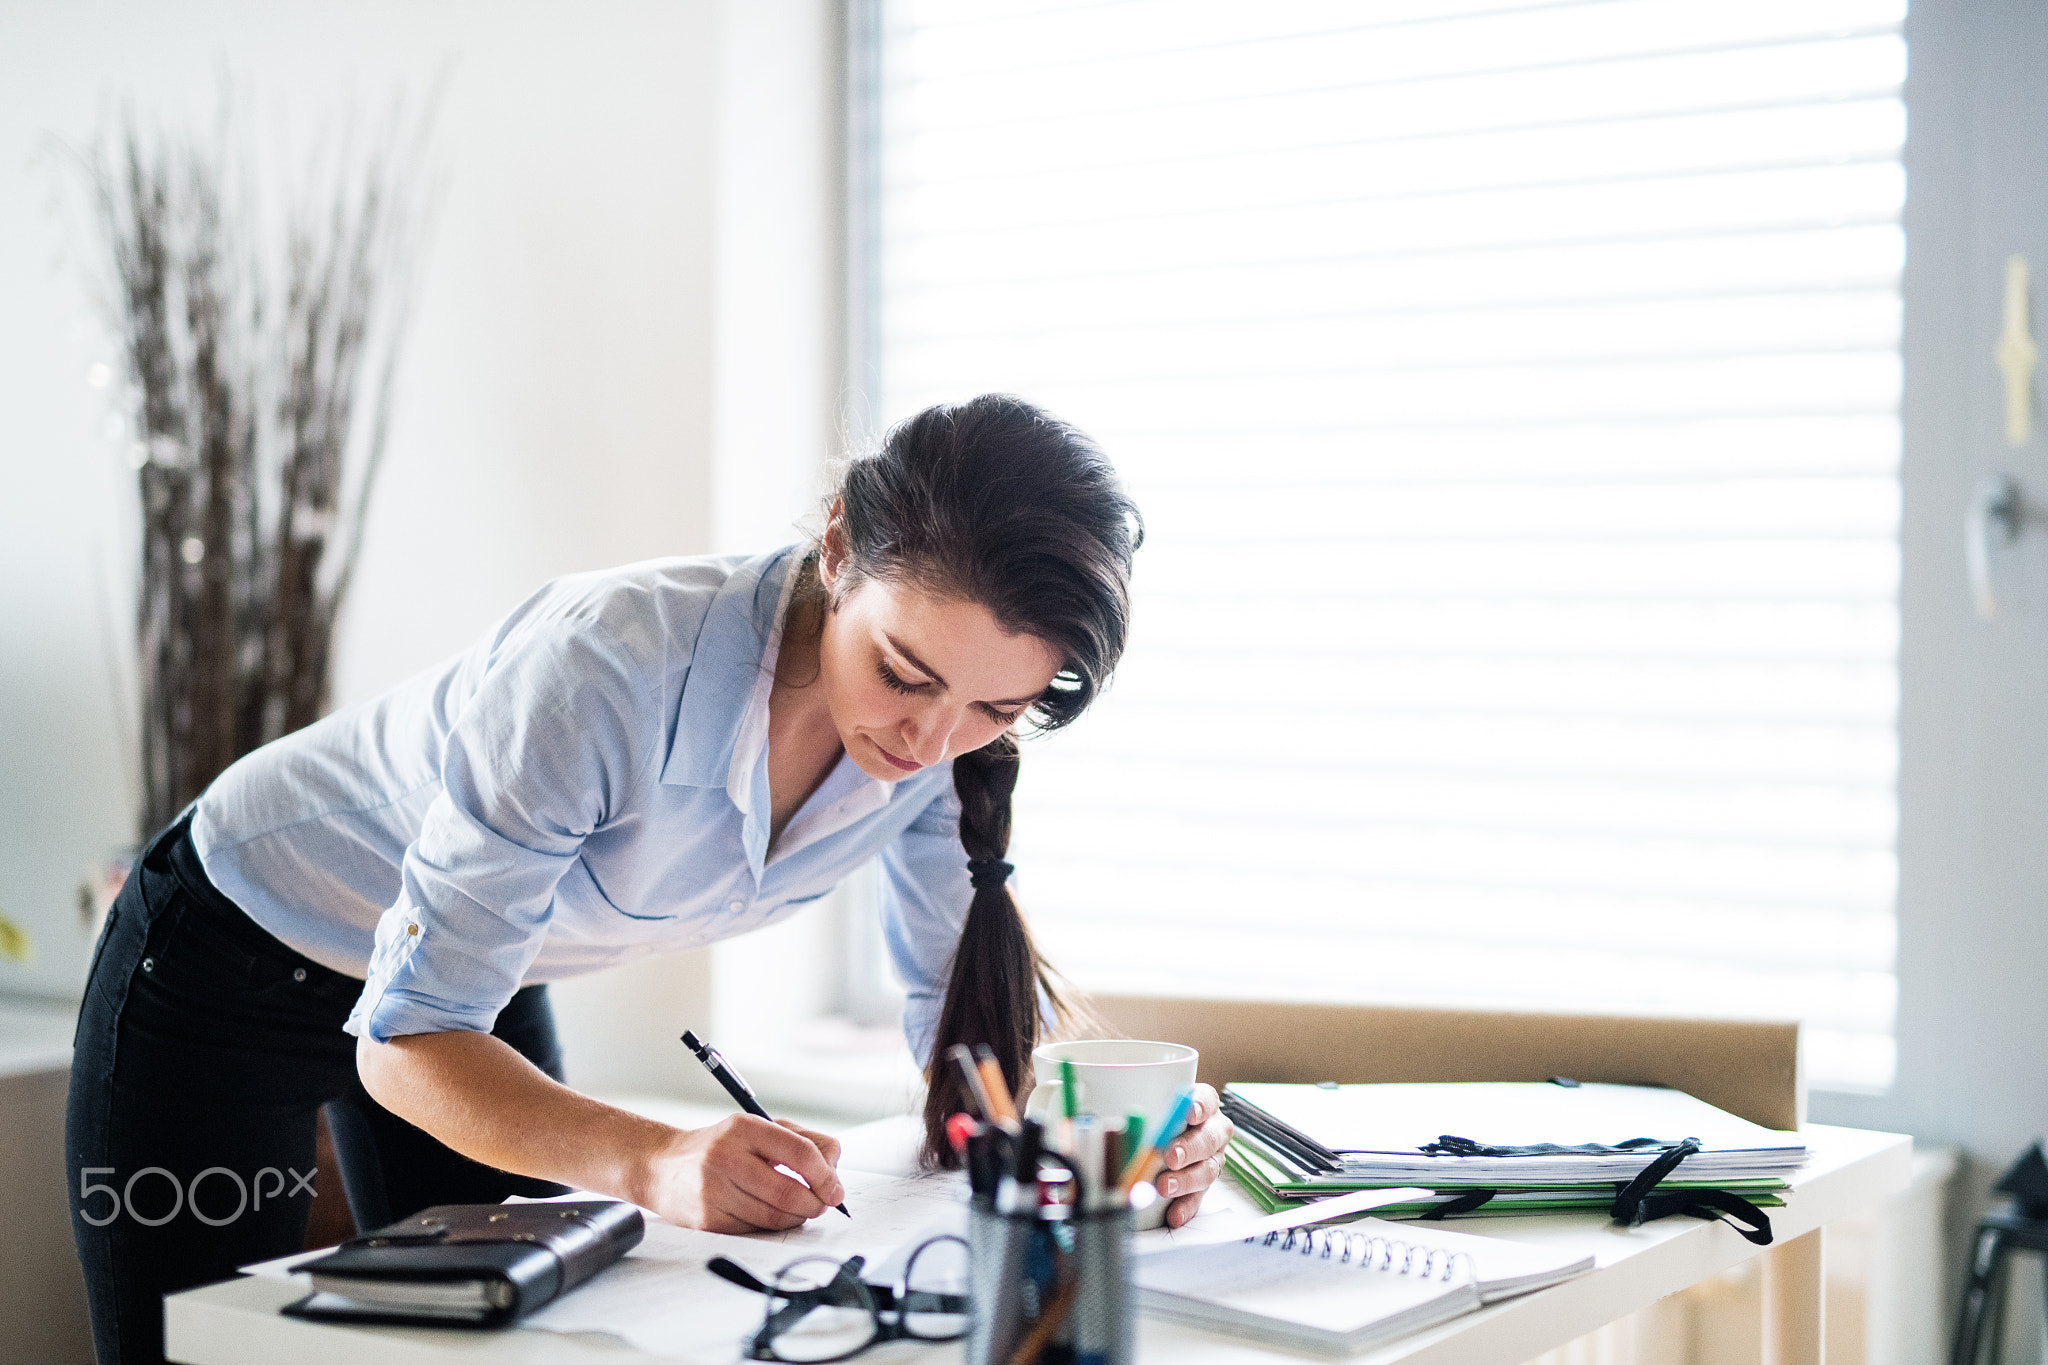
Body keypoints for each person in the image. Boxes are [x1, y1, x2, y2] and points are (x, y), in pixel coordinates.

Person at [66, 394, 1235, 1365]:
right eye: (904, 673)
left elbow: (963, 1041)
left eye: (992, 708)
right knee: (195, 1346)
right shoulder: (604, 664)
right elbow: (407, 1040)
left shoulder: (936, 761)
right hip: (226, 960)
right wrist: (657, 1158)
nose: (931, 743)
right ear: (837, 549)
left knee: (518, 1341)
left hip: (482, 967)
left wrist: (1107, 1148)